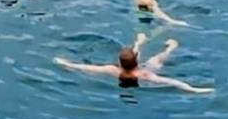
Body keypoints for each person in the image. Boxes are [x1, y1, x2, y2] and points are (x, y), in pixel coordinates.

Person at [55, 33, 212, 93]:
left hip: (130, 70)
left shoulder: (112, 70)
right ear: (136, 61)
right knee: (156, 60)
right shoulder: (146, 75)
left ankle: (139, 42)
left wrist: (66, 64)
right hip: (142, 70)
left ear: (119, 62)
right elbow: (173, 82)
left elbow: (87, 67)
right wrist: (193, 89)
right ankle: (171, 47)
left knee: (144, 56)